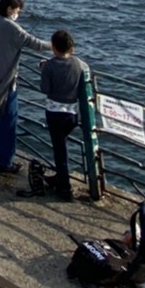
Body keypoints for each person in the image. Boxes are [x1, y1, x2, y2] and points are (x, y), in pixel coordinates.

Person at [0, 0, 52, 175]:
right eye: (17, 11)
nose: (18, 15)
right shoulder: (11, 27)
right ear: (9, 9)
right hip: (4, 81)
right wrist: (55, 47)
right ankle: (6, 162)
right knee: (7, 120)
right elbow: (34, 43)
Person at [40, 29, 89, 201]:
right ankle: (59, 177)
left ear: (53, 48)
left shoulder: (50, 66)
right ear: (72, 48)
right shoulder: (79, 64)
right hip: (73, 115)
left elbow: (45, 89)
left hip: (55, 114)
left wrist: (44, 69)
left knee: (59, 150)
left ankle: (64, 186)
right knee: (62, 146)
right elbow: (86, 74)